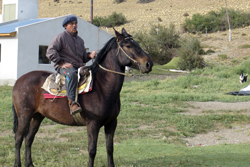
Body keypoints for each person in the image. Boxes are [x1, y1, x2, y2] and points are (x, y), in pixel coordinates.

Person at [46, 16, 96, 115]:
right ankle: (72, 103)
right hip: (64, 67)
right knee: (71, 74)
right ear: (65, 26)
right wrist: (61, 63)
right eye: (71, 24)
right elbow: (50, 52)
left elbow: (82, 58)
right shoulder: (60, 37)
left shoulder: (80, 40)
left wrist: (89, 55)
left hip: (79, 66)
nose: (74, 25)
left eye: (75, 23)